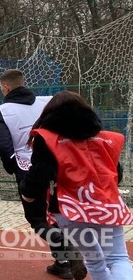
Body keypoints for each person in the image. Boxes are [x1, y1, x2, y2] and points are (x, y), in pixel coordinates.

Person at [20, 90, 130, 280]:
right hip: (106, 204)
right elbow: (116, 174)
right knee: (118, 258)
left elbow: (40, 172)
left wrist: (27, 194)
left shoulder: (48, 140)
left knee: (93, 259)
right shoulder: (105, 139)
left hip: (70, 208)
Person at [0, 69, 80, 279]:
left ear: (6, 87)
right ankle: (63, 262)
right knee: (57, 214)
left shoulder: (2, 111)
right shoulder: (47, 101)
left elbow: (4, 147)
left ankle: (65, 248)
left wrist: (15, 168)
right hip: (59, 164)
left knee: (37, 218)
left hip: (29, 169)